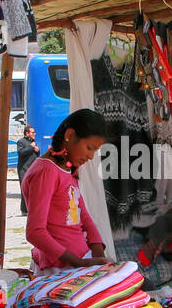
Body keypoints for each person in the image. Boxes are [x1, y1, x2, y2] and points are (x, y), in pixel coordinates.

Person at [21, 109, 110, 272]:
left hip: (80, 262)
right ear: (69, 135)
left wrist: (98, 255)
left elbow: (84, 217)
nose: (91, 156)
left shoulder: (68, 170)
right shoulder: (46, 171)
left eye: (95, 151)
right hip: (58, 269)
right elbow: (35, 232)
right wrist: (78, 263)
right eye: (89, 148)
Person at [16, 123, 39, 214]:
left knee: (33, 189)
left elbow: (34, 156)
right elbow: (21, 153)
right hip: (23, 169)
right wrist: (31, 147)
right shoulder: (21, 142)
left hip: (32, 169)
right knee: (25, 189)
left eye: (34, 132)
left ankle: (31, 208)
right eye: (32, 132)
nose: (34, 134)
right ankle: (24, 210)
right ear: (27, 133)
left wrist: (37, 151)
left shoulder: (33, 142)